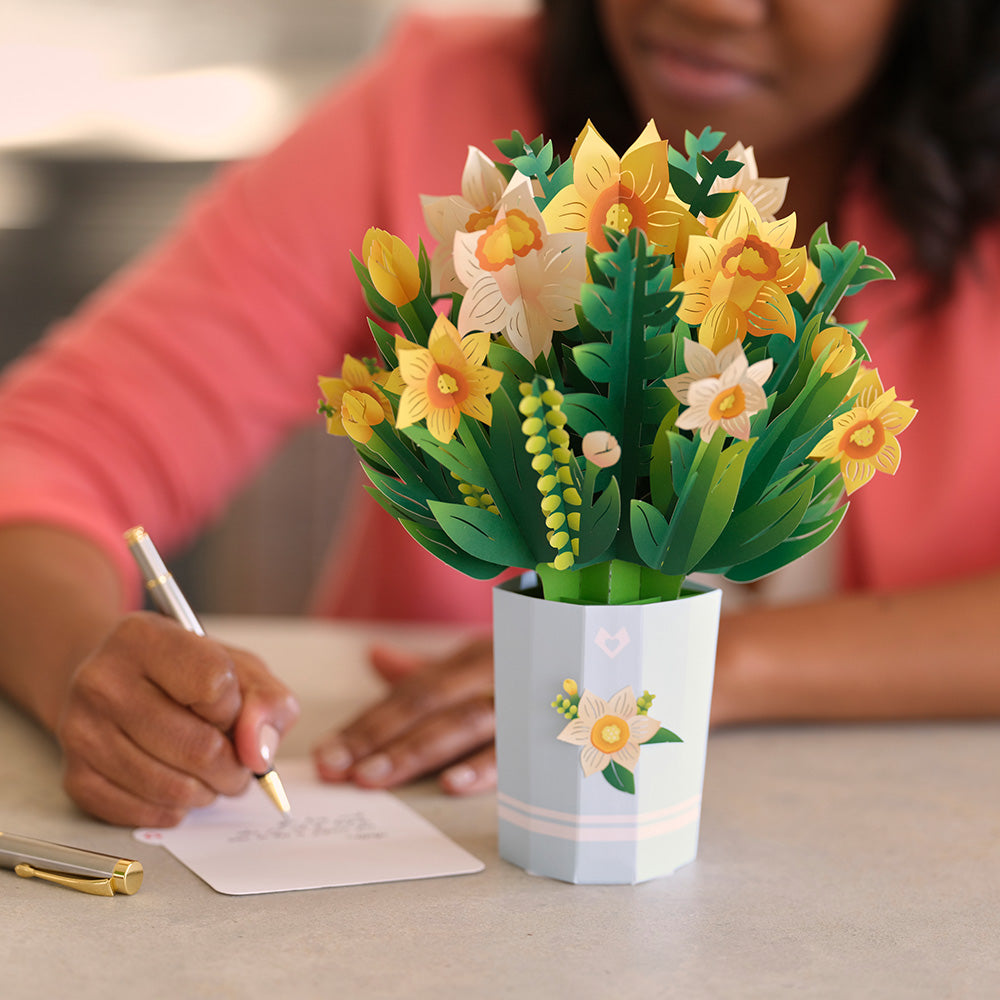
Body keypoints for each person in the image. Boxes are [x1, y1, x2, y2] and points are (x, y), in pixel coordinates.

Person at [1, 0, 999, 828]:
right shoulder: (437, 111)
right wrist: (83, 665)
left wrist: (681, 663)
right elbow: (48, 455)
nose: (707, 4)